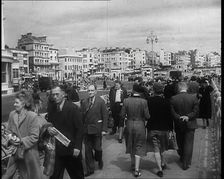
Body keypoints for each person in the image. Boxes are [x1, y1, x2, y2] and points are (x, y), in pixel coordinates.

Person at [2, 90, 43, 179]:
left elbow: (34, 137)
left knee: (31, 176)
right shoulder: (12, 114)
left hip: (29, 154)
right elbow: (9, 131)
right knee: (9, 175)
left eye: (17, 102)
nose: (14, 104)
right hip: (15, 153)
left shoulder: (32, 116)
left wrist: (21, 141)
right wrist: (10, 139)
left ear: (24, 103)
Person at [47, 84, 84, 179]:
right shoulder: (52, 109)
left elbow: (80, 129)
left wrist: (77, 147)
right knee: (54, 176)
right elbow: (49, 124)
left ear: (63, 94)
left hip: (71, 150)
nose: (54, 97)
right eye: (53, 94)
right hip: (57, 150)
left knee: (77, 176)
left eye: (57, 94)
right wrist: (48, 129)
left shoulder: (72, 108)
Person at [120, 84, 150, 177]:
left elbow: (122, 115)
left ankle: (133, 165)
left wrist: (126, 118)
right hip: (140, 125)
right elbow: (147, 116)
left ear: (133, 91)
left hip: (129, 124)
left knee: (131, 144)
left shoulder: (126, 101)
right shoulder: (144, 102)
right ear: (140, 92)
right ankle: (136, 169)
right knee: (138, 146)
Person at [146, 82, 173, 177]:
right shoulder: (167, 102)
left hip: (152, 128)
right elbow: (170, 117)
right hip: (164, 128)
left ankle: (160, 169)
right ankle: (162, 163)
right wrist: (171, 129)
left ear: (153, 90)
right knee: (162, 147)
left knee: (156, 149)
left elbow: (146, 115)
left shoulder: (149, 101)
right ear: (162, 90)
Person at [81, 84, 109, 177]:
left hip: (97, 129)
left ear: (96, 91)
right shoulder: (84, 102)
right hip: (87, 130)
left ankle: (99, 159)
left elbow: (105, 115)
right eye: (89, 90)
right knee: (88, 151)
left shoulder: (101, 101)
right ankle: (90, 169)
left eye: (92, 90)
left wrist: (104, 129)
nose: (90, 92)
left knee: (97, 148)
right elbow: (82, 116)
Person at [170, 82, 199, 170]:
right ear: (186, 88)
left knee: (180, 142)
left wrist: (179, 117)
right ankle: (186, 163)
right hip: (190, 123)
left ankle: (182, 157)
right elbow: (196, 111)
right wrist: (188, 116)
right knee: (189, 143)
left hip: (179, 123)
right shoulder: (193, 97)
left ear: (178, 88)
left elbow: (172, 112)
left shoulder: (173, 98)